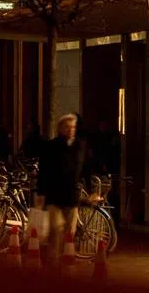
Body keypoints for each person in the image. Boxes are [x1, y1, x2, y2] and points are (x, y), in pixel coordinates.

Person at [37, 113, 85, 265]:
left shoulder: (79, 146)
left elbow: (84, 168)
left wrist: (88, 188)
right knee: (55, 230)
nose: (71, 130)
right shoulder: (52, 146)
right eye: (67, 127)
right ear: (60, 128)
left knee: (70, 232)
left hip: (71, 196)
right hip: (55, 195)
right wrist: (41, 192)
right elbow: (44, 171)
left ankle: (67, 259)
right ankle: (53, 261)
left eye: (73, 127)